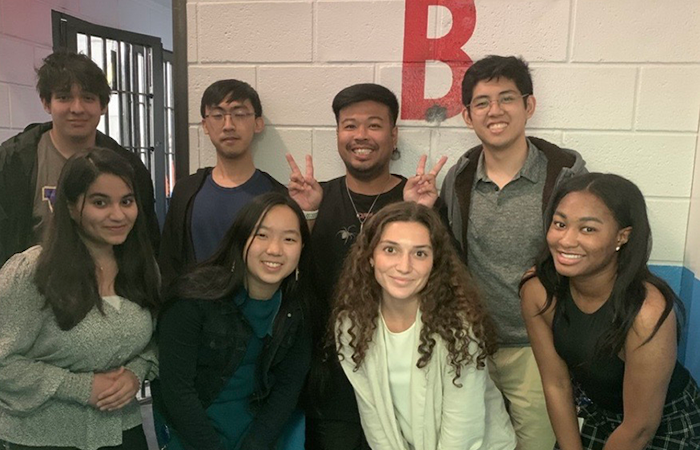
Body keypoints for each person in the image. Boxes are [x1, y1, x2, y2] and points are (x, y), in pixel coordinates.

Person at [286, 83, 447, 449]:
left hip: (403, 375)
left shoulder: (418, 198)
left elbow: (443, 280)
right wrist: (306, 214)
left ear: (393, 136)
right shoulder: (313, 197)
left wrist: (422, 214)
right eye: (349, 125)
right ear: (338, 134)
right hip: (330, 377)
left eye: (374, 125)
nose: (361, 135)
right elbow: (287, 277)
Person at [440, 55, 587, 450]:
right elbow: (447, 255)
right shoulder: (459, 179)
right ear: (468, 117)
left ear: (529, 106)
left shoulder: (564, 177)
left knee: (536, 443)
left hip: (537, 348)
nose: (495, 111)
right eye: (482, 102)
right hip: (473, 345)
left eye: (507, 98)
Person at [521, 173, 700, 450]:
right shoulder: (537, 290)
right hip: (597, 413)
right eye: (560, 224)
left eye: (588, 229)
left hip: (663, 423)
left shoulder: (646, 310)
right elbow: (556, 384)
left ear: (622, 236)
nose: (566, 240)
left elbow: (639, 428)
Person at [0, 147, 160, 449]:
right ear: (71, 207)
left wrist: (135, 375)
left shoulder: (142, 267)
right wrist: (82, 387)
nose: (118, 214)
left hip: (124, 432)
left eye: (127, 201)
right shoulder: (33, 272)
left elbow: (155, 341)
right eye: (100, 202)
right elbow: (4, 361)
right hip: (41, 437)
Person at [332, 201, 517, 449]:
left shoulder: (458, 327)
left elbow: (463, 430)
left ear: (435, 263)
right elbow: (373, 416)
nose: (404, 266)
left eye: (419, 253)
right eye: (390, 250)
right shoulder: (351, 326)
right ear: (370, 257)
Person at [152, 192, 312, 450]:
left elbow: (286, 391)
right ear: (240, 239)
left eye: (289, 239)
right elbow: (177, 391)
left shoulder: (297, 311)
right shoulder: (192, 299)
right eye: (261, 235)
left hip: (259, 435)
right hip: (194, 433)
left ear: (301, 249)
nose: (274, 249)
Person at [0, 51, 159, 267]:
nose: (77, 108)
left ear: (103, 106)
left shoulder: (128, 166)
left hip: (108, 288)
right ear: (46, 103)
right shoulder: (14, 161)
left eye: (88, 98)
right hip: (34, 289)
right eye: (64, 97)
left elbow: (145, 241)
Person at [159, 79, 285, 289]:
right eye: (218, 115)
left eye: (240, 114)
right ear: (205, 125)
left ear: (257, 123)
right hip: (196, 313)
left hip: (256, 313)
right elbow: (169, 264)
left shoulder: (276, 195)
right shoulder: (186, 191)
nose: (228, 125)